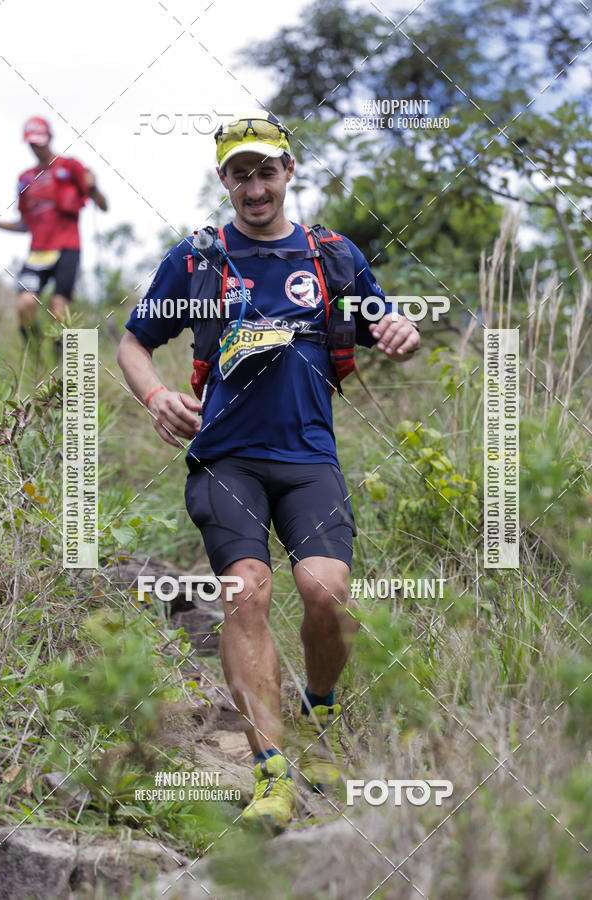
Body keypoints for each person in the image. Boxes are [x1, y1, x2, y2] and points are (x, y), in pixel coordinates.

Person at [117, 110, 420, 830]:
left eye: (267, 170)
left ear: (289, 171)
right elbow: (134, 343)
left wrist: (402, 333)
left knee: (326, 590)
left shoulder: (333, 257)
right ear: (224, 180)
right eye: (240, 173)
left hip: (310, 458)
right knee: (245, 594)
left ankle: (318, 717)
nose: (255, 187)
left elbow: (389, 324)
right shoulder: (195, 259)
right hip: (224, 459)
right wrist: (156, 394)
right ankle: (272, 774)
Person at [0, 116, 108, 341]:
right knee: (25, 303)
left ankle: (61, 365)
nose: (37, 148)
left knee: (59, 307)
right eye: (32, 144)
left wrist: (94, 188)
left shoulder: (70, 167)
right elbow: (24, 225)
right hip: (38, 252)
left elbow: (103, 206)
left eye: (40, 142)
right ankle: (33, 354)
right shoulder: (25, 179)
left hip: (68, 249)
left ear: (50, 138)